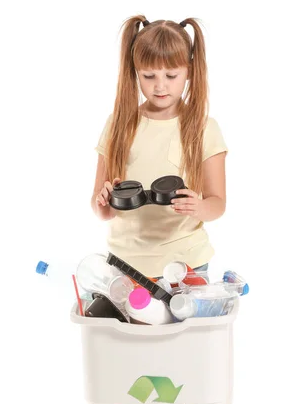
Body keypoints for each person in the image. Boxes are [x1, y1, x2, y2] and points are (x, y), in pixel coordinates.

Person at [91, 15, 229, 279]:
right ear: (135, 71)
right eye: (149, 75)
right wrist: (102, 202)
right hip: (124, 266)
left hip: (185, 262)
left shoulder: (204, 128)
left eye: (171, 75)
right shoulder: (118, 125)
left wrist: (199, 207)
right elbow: (103, 210)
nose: (160, 85)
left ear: (189, 70)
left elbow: (218, 203)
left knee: (186, 322)